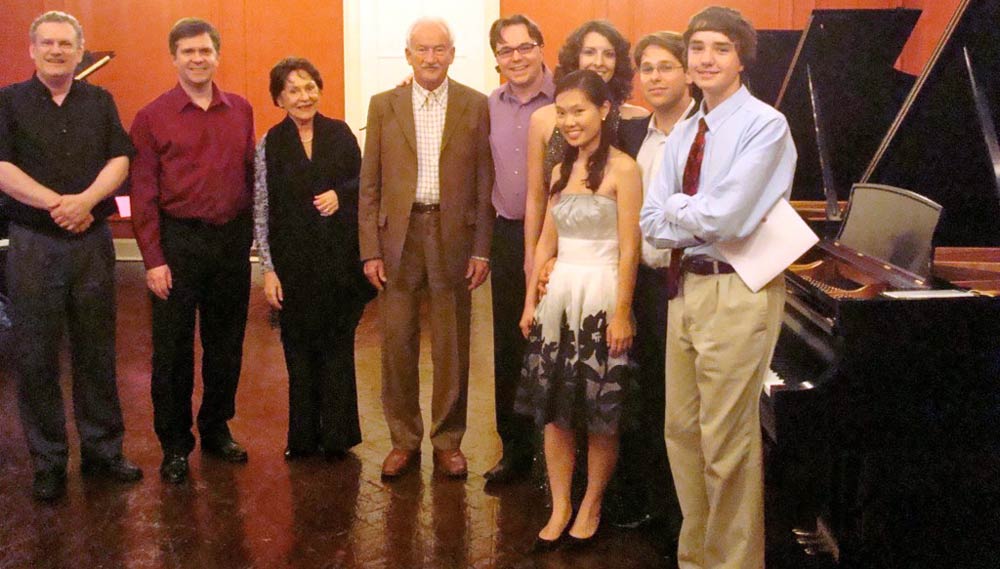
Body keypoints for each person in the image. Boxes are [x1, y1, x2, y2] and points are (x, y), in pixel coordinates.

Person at [640, 7, 797, 568]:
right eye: (698, 47)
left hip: (738, 291)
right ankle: (696, 559)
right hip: (685, 288)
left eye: (720, 48)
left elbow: (727, 219)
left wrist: (682, 210)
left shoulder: (765, 125)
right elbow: (649, 222)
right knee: (681, 435)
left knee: (727, 445)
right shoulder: (685, 129)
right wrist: (695, 212)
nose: (705, 58)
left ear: (740, 58)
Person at [0, 10, 142, 502]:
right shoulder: (9, 102)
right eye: (48, 43)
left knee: (96, 352)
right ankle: (49, 460)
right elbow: (1, 166)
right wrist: (57, 204)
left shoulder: (100, 101)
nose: (57, 50)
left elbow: (120, 158)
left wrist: (84, 202)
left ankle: (103, 451)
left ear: (80, 51)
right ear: (32, 49)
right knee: (35, 355)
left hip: (90, 243)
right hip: (33, 242)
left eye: (66, 43)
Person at [358, 18, 494, 479]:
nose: (431, 58)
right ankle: (403, 439)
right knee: (396, 343)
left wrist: (481, 249)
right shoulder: (383, 106)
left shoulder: (475, 106)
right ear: (408, 54)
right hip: (398, 236)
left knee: (453, 344)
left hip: (452, 234)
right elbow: (369, 185)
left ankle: (448, 441)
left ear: (452, 54)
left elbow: (484, 183)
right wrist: (370, 250)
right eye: (422, 50)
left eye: (440, 50)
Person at [516, 69, 642, 550]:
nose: (570, 121)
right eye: (563, 112)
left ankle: (591, 504)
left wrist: (623, 311)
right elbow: (547, 241)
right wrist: (531, 300)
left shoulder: (624, 169)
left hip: (603, 294)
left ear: (604, 110)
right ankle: (561, 504)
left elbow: (629, 247)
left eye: (580, 111)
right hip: (559, 297)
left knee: (599, 409)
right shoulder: (558, 170)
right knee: (555, 410)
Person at [130, 17, 256, 484]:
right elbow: (142, 192)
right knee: (172, 352)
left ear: (216, 55)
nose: (198, 59)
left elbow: (249, 177)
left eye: (205, 51)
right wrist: (153, 259)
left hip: (229, 242)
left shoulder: (241, 110)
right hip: (177, 244)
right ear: (174, 58)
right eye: (188, 52)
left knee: (226, 344)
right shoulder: (151, 116)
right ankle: (175, 444)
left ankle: (217, 427)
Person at [253, 57, 373, 461]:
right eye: (293, 90)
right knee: (298, 350)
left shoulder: (340, 134)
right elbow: (261, 209)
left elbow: (364, 185)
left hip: (339, 264)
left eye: (310, 87)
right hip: (293, 266)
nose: (304, 96)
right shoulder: (270, 143)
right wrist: (268, 269)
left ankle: (338, 436)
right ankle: (302, 437)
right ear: (279, 98)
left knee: (338, 347)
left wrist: (341, 193)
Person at [607, 31, 694, 530]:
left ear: (686, 73)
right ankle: (647, 501)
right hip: (638, 282)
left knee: (676, 406)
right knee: (639, 394)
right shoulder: (636, 133)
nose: (655, 77)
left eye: (666, 66)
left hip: (680, 285)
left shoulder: (704, 135)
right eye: (647, 68)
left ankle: (677, 514)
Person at [483, 14, 555, 484]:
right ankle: (514, 449)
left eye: (525, 46)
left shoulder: (568, 99)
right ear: (496, 59)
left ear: (541, 47)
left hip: (562, 239)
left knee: (559, 345)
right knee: (511, 344)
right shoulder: (488, 104)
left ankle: (560, 453)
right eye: (506, 50)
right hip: (508, 234)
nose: (517, 57)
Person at [523, 20, 646, 274]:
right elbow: (536, 197)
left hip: (614, 256)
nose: (599, 61)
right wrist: (531, 257)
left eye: (608, 54)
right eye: (589, 52)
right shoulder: (543, 119)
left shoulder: (637, 118)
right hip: (558, 247)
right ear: (575, 57)